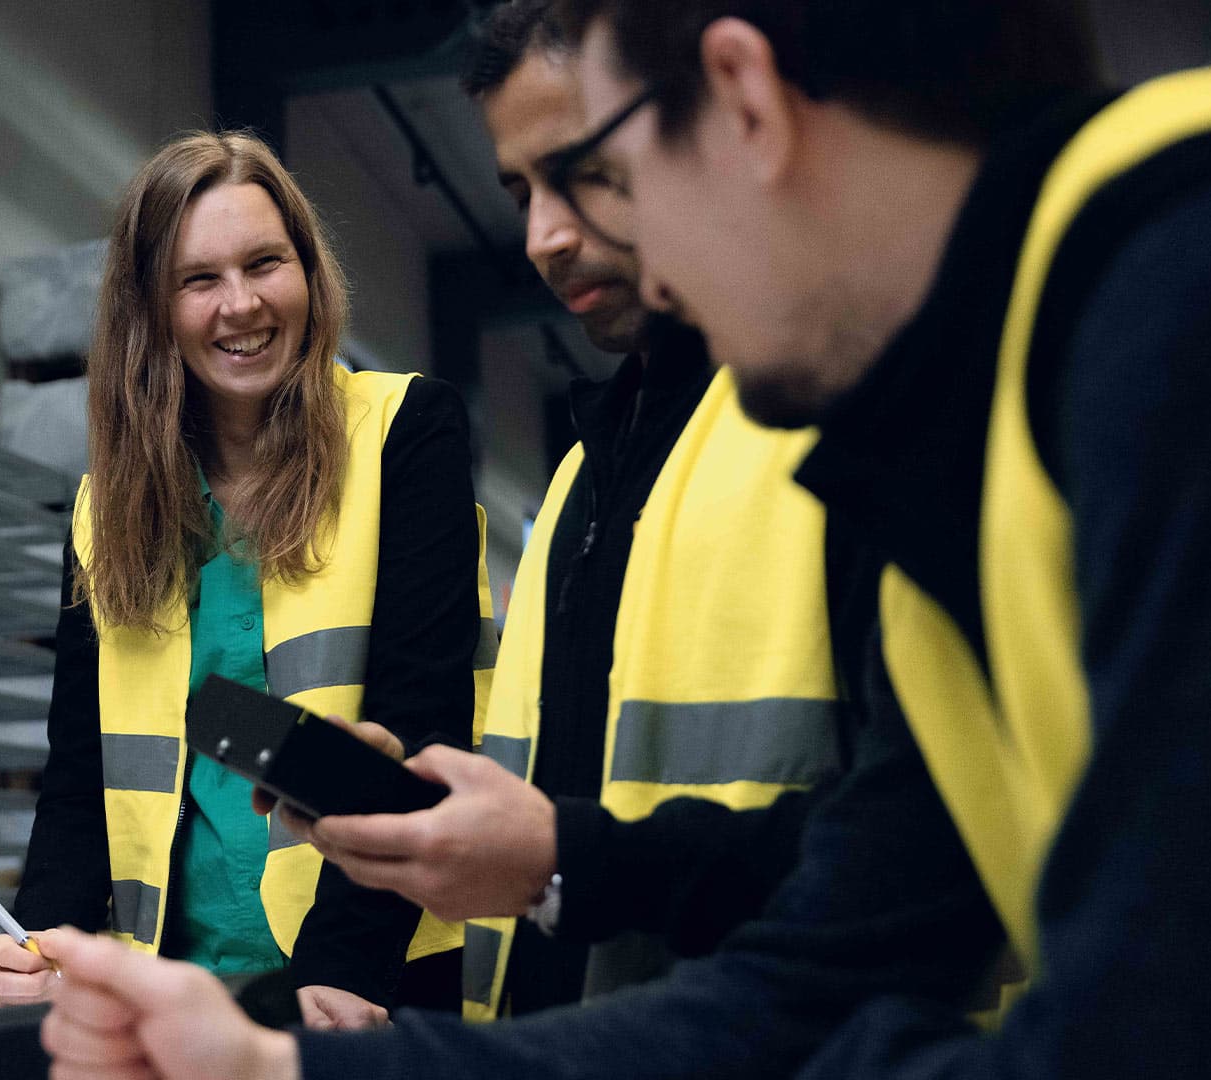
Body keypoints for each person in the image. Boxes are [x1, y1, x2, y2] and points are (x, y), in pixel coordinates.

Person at [35, 0, 1211, 1076]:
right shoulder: (972, 416)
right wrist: (276, 1070)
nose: (566, 244)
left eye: (607, 173)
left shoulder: (1171, 300)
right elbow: (824, 960)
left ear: (744, 100)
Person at [274, 0, 864, 1021]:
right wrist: (432, 815)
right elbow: (571, 786)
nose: (545, 238)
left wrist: (561, 863)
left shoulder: (840, 416)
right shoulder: (583, 479)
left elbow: (936, 848)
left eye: (586, 171)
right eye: (521, 191)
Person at [0, 130, 495, 1031]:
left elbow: (419, 718)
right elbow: (79, 780)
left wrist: (348, 972)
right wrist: (47, 944)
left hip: (374, 979)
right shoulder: (107, 510)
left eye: (266, 263)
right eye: (198, 279)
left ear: (309, 272)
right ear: (152, 309)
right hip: (176, 998)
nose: (242, 304)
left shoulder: (405, 433)